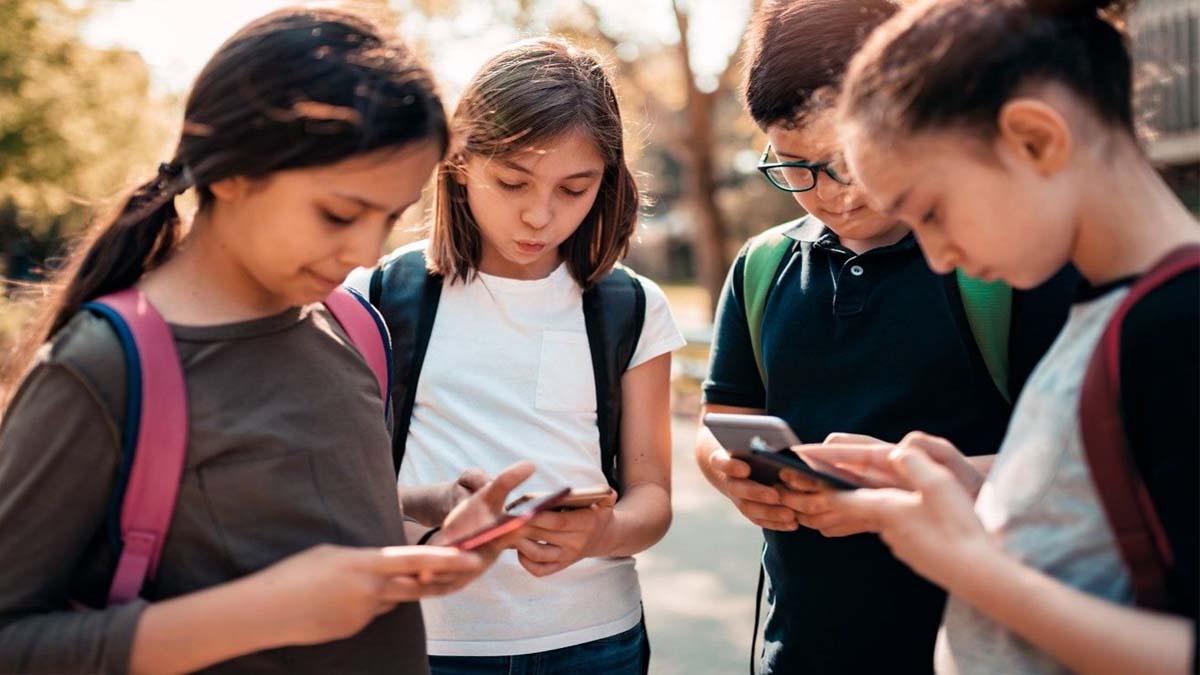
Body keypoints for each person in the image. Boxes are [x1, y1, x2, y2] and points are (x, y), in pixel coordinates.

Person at [0, 8, 531, 673]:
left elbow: (284, 520)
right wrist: (264, 611)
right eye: (339, 213)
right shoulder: (104, 368)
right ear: (230, 172)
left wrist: (425, 529)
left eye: (390, 217)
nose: (366, 249)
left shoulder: (352, 324)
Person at [798, 0, 1199, 672]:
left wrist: (969, 566)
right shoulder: (1104, 309)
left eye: (932, 211)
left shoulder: (1177, 325)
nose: (935, 256)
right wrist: (977, 490)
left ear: (1035, 140)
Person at [692, 1, 1077, 672]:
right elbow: (723, 414)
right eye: (795, 167)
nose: (832, 194)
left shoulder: (996, 262)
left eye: (846, 160)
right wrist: (727, 471)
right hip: (797, 650)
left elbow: (1077, 470)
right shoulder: (761, 267)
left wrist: (902, 489)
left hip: (969, 649)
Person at [351, 37, 684, 675]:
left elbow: (652, 495)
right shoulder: (374, 298)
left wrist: (602, 534)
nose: (539, 214)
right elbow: (337, 490)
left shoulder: (633, 307)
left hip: (595, 642)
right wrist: (432, 511)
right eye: (512, 182)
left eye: (574, 189)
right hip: (424, 644)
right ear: (459, 161)